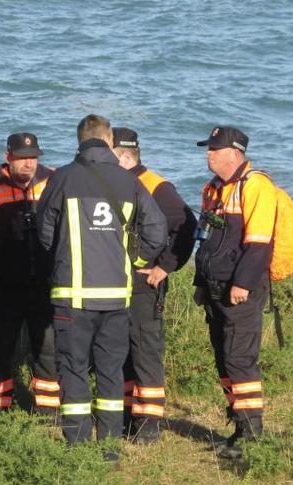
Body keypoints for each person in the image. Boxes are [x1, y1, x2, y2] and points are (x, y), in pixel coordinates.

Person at [37, 114, 167, 459]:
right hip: (116, 298)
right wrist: (135, 262)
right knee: (110, 373)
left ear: (80, 140)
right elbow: (157, 229)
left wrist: (63, 255)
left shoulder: (62, 178)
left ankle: (78, 450)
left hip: (73, 297)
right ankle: (110, 451)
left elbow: (45, 232)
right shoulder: (129, 181)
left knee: (74, 370)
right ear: (109, 141)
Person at [192, 126, 277, 459]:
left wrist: (242, 284)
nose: (208, 154)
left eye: (214, 148)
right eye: (208, 148)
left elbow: (258, 245)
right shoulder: (213, 188)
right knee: (224, 358)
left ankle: (252, 435)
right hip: (214, 288)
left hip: (241, 289)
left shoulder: (256, 186)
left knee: (240, 359)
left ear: (234, 153)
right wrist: (200, 285)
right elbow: (206, 241)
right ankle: (240, 426)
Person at [111, 127, 197, 444]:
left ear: (123, 154)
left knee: (145, 351)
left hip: (145, 284)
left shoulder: (157, 186)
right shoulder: (117, 182)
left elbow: (187, 226)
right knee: (119, 351)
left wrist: (165, 266)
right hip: (117, 283)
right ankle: (126, 416)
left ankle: (148, 423)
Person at [0, 132, 60, 417]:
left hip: (45, 284)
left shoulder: (53, 180)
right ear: (7, 157)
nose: (29, 164)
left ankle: (49, 413)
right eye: (23, 158)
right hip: (3, 284)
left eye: (34, 158)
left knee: (48, 349)